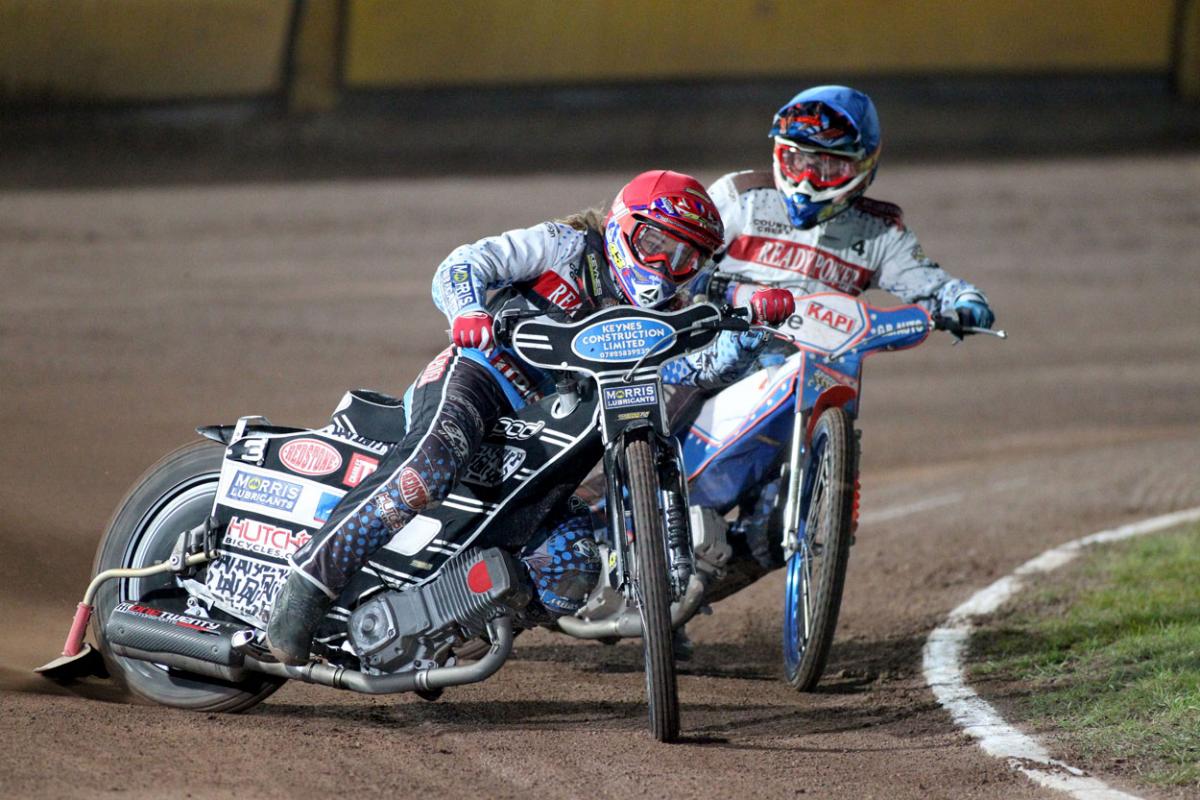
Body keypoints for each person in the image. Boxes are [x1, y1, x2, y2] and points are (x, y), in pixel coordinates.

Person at [266, 170, 795, 665]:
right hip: (482, 376)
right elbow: (465, 263)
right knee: (425, 472)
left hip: (560, 428)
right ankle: (309, 584)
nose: (664, 267)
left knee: (570, 568)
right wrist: (468, 312)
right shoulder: (564, 246)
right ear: (621, 226)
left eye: (685, 258)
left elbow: (700, 367)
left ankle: (445, 618)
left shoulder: (673, 306)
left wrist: (749, 336)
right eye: (655, 244)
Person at [696, 85, 994, 330]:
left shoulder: (880, 233)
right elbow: (675, 265)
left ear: (864, 166)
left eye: (829, 168)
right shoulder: (743, 198)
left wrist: (964, 300)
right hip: (717, 353)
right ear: (778, 154)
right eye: (796, 162)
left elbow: (932, 288)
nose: (807, 182)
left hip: (819, 364)